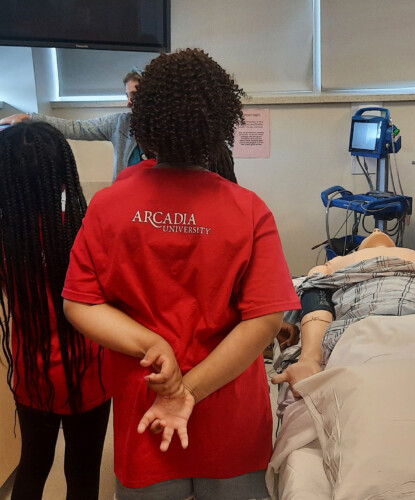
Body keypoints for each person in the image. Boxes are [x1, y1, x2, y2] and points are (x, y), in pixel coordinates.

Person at [62, 48, 300, 500]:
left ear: (144, 119)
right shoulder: (248, 210)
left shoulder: (108, 206)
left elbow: (80, 302)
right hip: (229, 416)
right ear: (220, 121)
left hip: (147, 411)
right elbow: (264, 320)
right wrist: (188, 392)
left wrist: (154, 349)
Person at [0, 122, 112, 500]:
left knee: (33, 466)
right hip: (90, 374)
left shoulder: (9, 239)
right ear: (64, 177)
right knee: (83, 474)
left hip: (32, 375)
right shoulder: (87, 232)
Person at [272, 229, 415, 392]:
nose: (376, 229)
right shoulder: (339, 263)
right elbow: (316, 295)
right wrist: (309, 358)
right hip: (363, 327)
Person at [0, 70, 144, 181]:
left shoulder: (165, 130)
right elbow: (76, 128)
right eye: (127, 96)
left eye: (134, 95)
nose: (128, 103)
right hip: (125, 200)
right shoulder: (119, 123)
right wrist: (29, 118)